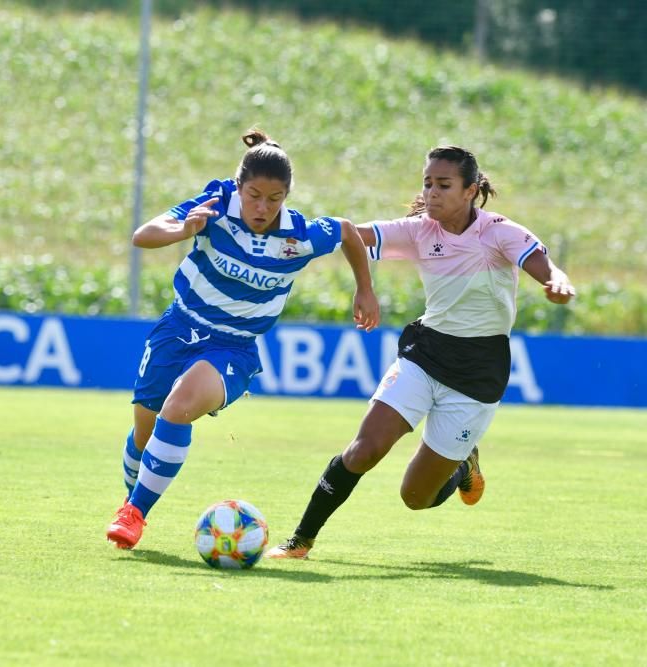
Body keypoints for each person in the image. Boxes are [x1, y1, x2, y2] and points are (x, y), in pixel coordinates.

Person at [266, 145, 576, 560]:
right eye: (427, 183)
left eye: (443, 185)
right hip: (425, 354)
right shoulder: (417, 230)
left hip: (479, 373)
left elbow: (543, 264)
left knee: (416, 497)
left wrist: (556, 282)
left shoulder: (499, 231)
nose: (431, 193)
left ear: (470, 190)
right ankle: (300, 540)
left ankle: (463, 463)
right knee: (364, 449)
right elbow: (348, 234)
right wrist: (283, 231)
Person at [106, 128, 381, 550]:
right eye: (254, 195)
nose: (262, 207)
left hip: (233, 347)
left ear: (287, 196)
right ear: (239, 187)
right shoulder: (215, 205)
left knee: (178, 406)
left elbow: (347, 231)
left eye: (274, 199)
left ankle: (135, 513)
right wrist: (185, 228)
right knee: (143, 433)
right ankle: (132, 501)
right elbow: (144, 234)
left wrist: (365, 289)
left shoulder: (299, 235)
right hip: (178, 329)